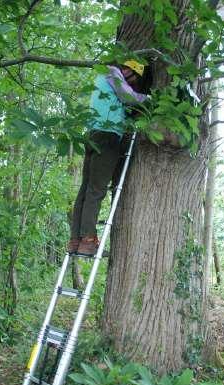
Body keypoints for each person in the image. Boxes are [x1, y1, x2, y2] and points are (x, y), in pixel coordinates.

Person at [68, 60, 148, 256]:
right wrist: (148, 98)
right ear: (129, 70)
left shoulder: (104, 78)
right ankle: (88, 240)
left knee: (86, 190)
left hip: (94, 134)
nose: (133, 83)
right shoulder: (113, 72)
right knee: (96, 191)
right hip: (108, 135)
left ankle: (75, 240)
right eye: (134, 78)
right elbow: (128, 96)